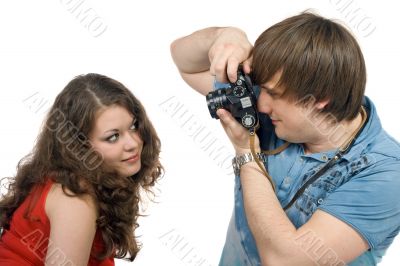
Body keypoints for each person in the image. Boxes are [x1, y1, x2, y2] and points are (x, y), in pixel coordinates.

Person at [170, 12, 400, 266]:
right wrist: (223, 37)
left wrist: (247, 154)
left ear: (320, 98)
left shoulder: (387, 174)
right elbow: (186, 62)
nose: (262, 104)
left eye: (273, 93)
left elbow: (284, 261)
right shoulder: (281, 112)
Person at [0, 73, 163, 265]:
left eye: (134, 126)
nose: (133, 143)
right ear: (79, 146)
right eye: (112, 137)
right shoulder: (75, 199)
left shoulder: (73, 178)